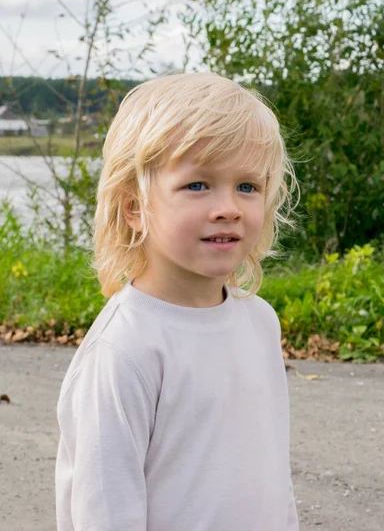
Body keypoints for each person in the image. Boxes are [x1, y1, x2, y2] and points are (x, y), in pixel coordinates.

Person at [55, 72, 300, 531]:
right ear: (134, 207)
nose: (228, 206)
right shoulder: (124, 351)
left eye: (247, 186)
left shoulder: (259, 322)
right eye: (198, 185)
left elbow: (271, 476)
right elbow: (106, 509)